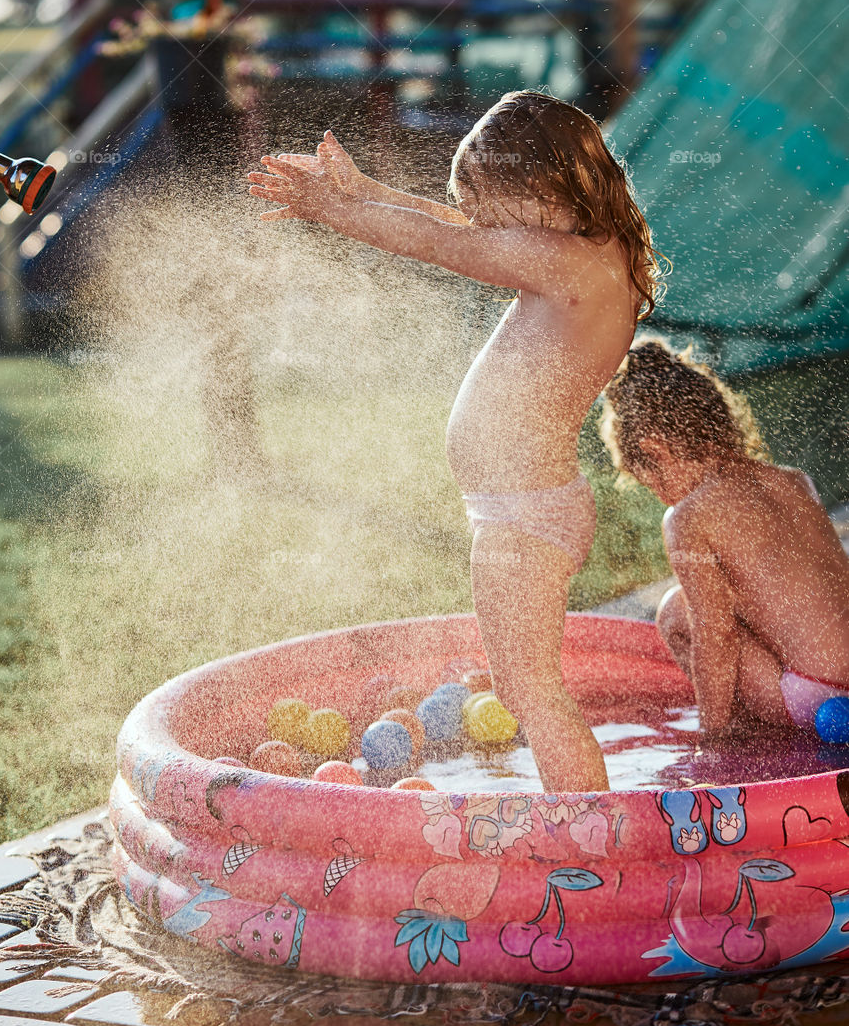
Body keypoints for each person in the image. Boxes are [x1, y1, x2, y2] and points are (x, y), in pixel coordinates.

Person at [247, 90, 666, 791]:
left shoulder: (572, 264)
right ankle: (584, 819)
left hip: (523, 518)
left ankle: (588, 835)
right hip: (521, 508)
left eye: (488, 200)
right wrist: (367, 191)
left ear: (544, 183)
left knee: (530, 692)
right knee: (526, 686)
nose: (478, 216)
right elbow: (458, 229)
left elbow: (449, 243)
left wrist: (338, 211)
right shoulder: (582, 249)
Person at [599, 339, 849, 739]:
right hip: (841, 691)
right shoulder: (792, 480)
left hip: (815, 695)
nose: (663, 497)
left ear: (655, 450)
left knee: (675, 612)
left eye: (651, 484)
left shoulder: (688, 516)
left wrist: (710, 740)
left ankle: (741, 734)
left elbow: (717, 636)